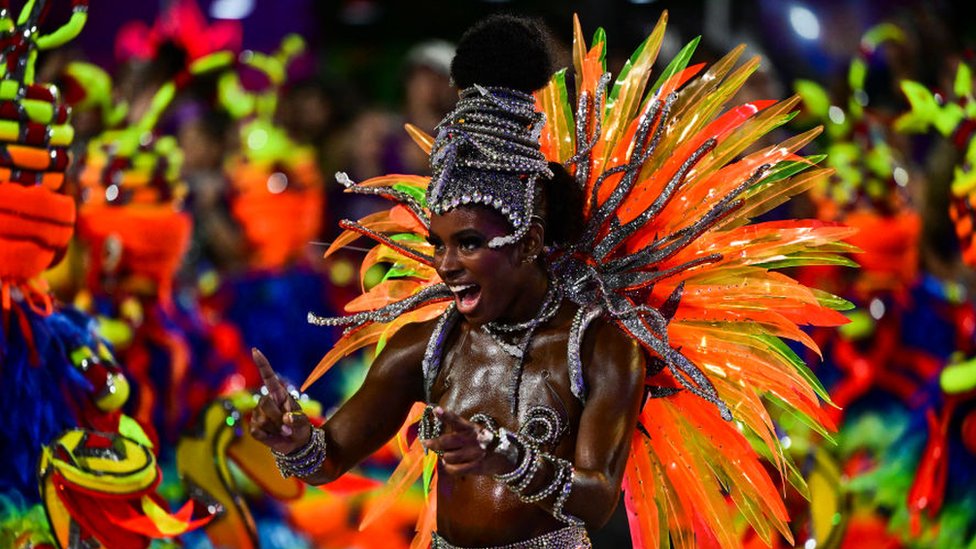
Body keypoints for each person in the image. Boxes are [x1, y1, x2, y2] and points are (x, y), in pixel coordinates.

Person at [252, 13, 847, 549]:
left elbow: (598, 495)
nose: (446, 264)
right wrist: (292, 440)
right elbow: (328, 459)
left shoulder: (599, 347)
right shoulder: (427, 345)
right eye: (438, 244)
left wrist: (504, 455)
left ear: (530, 241)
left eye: (470, 243)